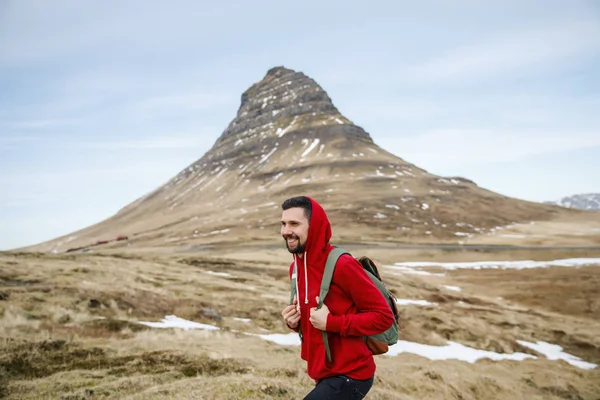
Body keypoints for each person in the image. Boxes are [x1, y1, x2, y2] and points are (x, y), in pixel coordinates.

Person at [280, 196, 394, 399]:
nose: (286, 231)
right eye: (283, 224)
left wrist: (331, 322)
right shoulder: (296, 268)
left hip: (352, 374)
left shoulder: (342, 265)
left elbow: (383, 317)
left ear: (313, 226)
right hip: (322, 373)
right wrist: (293, 322)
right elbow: (314, 318)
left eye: (294, 224)